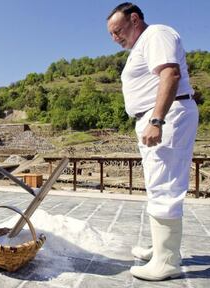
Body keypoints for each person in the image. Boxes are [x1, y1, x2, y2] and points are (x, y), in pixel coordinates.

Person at [107, 3, 198, 281]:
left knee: (165, 186)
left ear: (135, 19)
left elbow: (170, 73)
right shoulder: (143, 44)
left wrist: (157, 120)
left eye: (118, 30)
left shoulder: (156, 34)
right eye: (111, 34)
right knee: (158, 184)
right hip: (157, 118)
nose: (116, 38)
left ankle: (167, 260)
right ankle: (163, 249)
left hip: (165, 118)